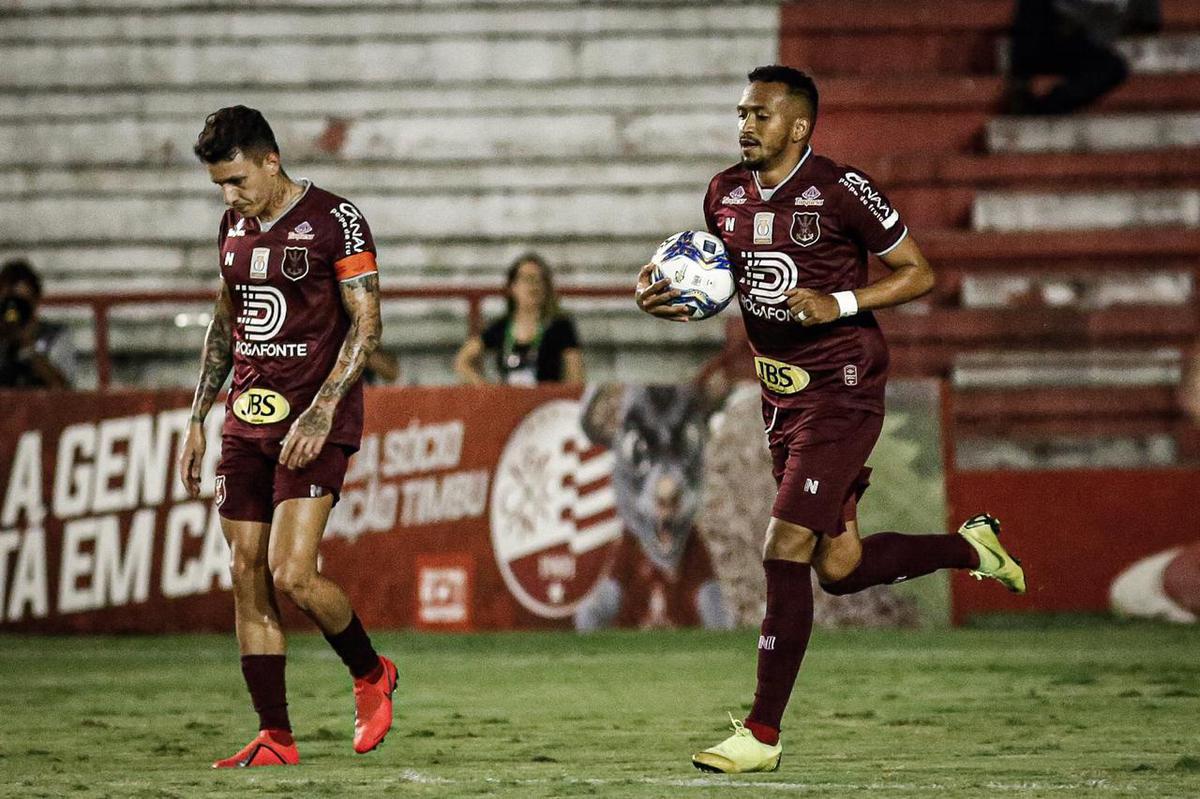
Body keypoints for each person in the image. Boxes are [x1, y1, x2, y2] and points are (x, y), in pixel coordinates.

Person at [635, 65, 1027, 774]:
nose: (746, 125)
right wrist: (669, 289)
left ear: (799, 126)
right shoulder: (723, 192)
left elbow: (919, 270)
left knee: (783, 543)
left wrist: (840, 303)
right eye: (742, 113)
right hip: (778, 395)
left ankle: (761, 733)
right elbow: (728, 271)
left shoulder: (842, 190)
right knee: (840, 567)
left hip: (843, 386)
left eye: (760, 114)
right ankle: (974, 549)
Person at [177, 105, 396, 768]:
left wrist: (324, 409)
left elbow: (367, 326)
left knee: (292, 572)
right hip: (248, 415)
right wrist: (197, 416)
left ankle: (370, 673)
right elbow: (226, 320)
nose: (229, 194)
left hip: (314, 417)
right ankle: (277, 734)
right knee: (246, 570)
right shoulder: (232, 226)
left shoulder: (337, 219)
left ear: (271, 160)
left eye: (237, 179)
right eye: (219, 184)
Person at [1003, 0, 1159, 116]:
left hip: (1086, 43)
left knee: (1114, 68)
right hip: (1049, 34)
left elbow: (1149, 23)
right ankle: (1020, 86)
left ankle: (1048, 106)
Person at [453, 253, 584, 386]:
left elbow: (576, 376)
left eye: (540, 280)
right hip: (509, 402)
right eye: (528, 279)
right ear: (512, 287)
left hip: (547, 404)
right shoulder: (501, 327)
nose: (534, 285)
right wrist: (485, 388)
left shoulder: (560, 327)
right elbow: (462, 360)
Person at [0, 258, 76, 389]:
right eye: (8, 303)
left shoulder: (55, 335)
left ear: (35, 301)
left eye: (21, 303)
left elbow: (64, 390)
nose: (14, 310)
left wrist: (29, 349)